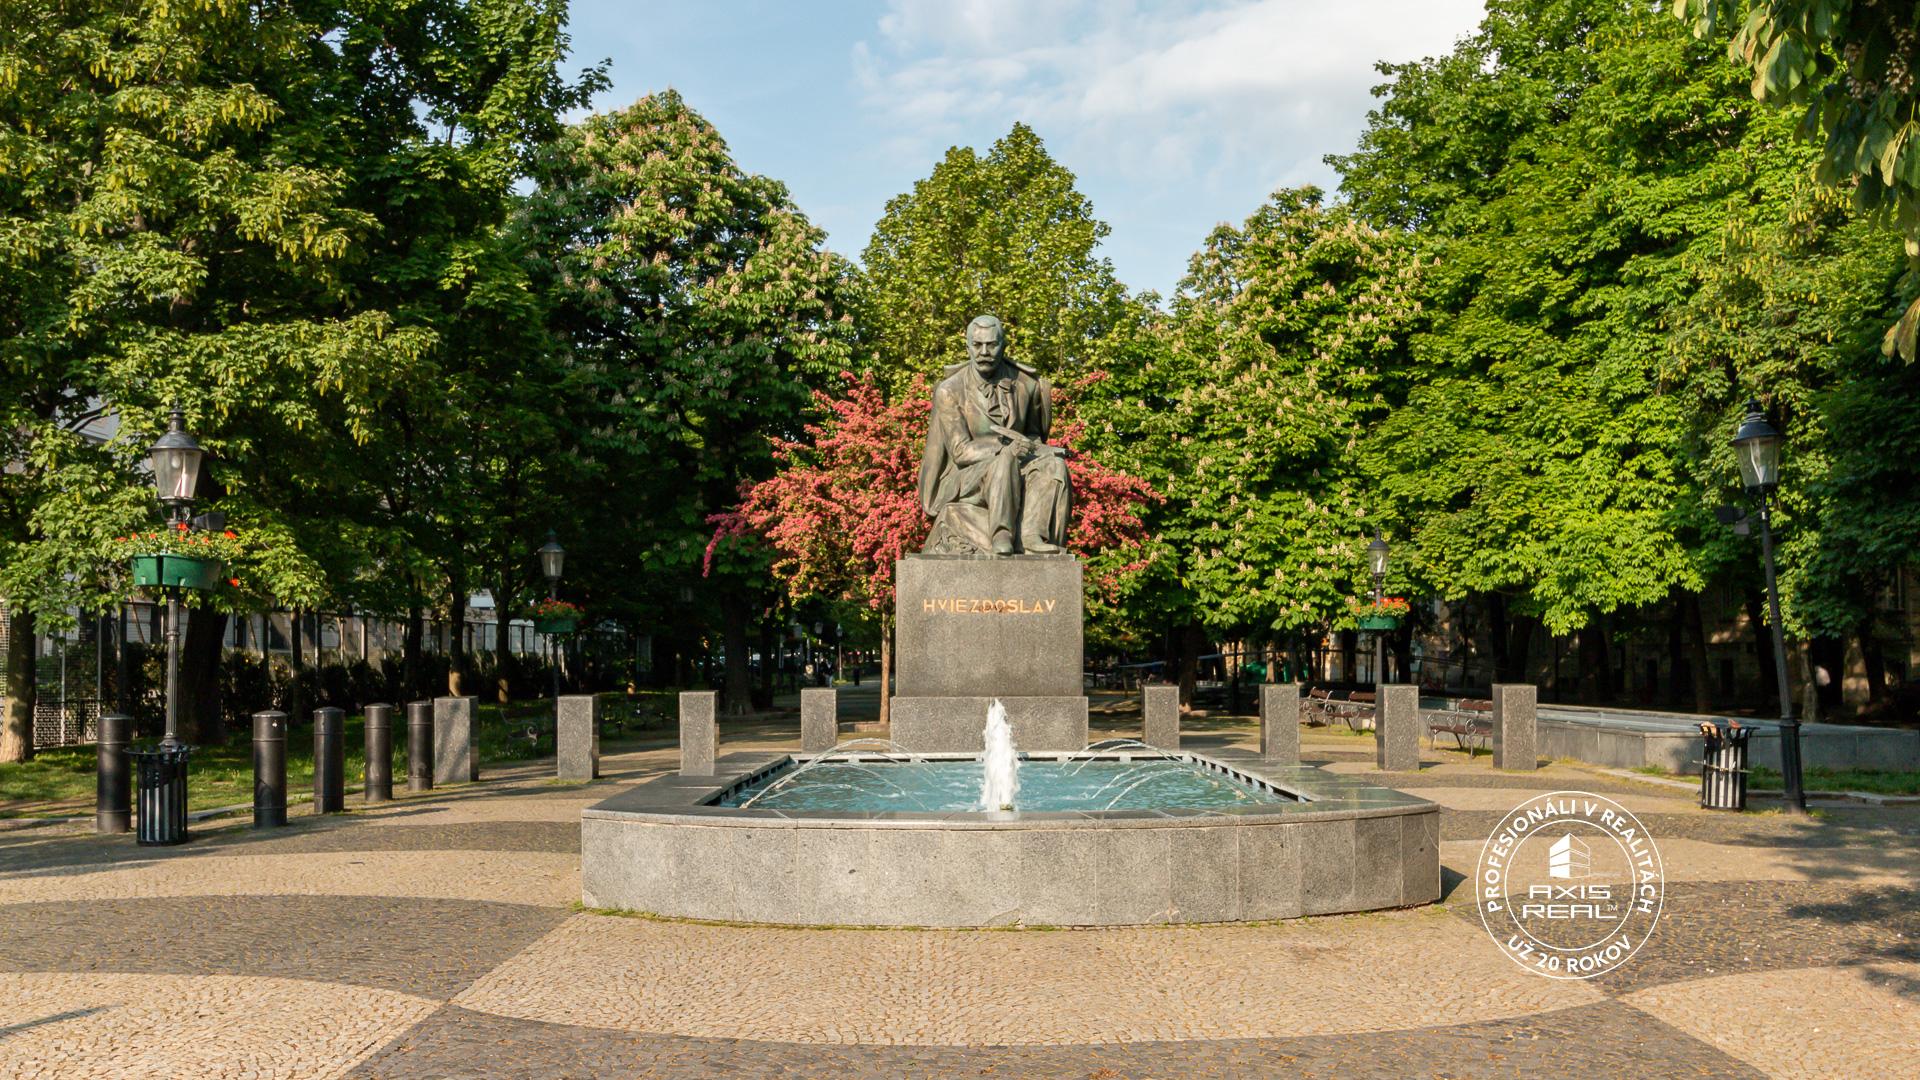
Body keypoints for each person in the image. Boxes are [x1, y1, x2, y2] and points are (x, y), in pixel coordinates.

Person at [918, 315, 1072, 556]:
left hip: (1017, 463)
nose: (984, 352)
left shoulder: (1026, 385)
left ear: (1003, 345)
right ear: (968, 347)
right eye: (977, 345)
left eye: (991, 344)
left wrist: (1035, 449)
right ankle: (1001, 534)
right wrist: (1004, 449)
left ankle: (1033, 535)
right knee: (1004, 460)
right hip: (968, 475)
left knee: (1054, 465)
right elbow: (960, 451)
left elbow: (1033, 433)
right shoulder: (950, 390)